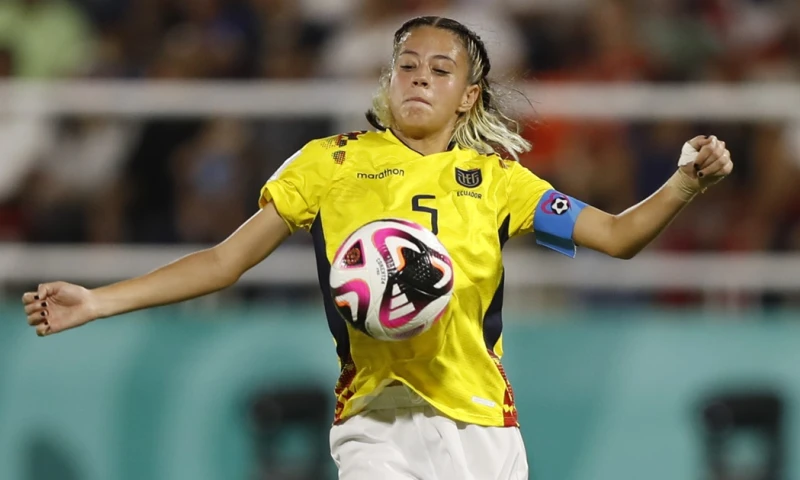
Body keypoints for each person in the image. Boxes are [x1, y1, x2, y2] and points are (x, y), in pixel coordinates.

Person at [22, 16, 733, 480]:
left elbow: (617, 236)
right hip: (375, 425)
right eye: (407, 64)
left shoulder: (497, 182)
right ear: (387, 79)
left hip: (481, 431)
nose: (420, 76)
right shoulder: (327, 165)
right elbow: (223, 261)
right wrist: (97, 301)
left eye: (440, 69)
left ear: (468, 97)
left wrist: (682, 184)